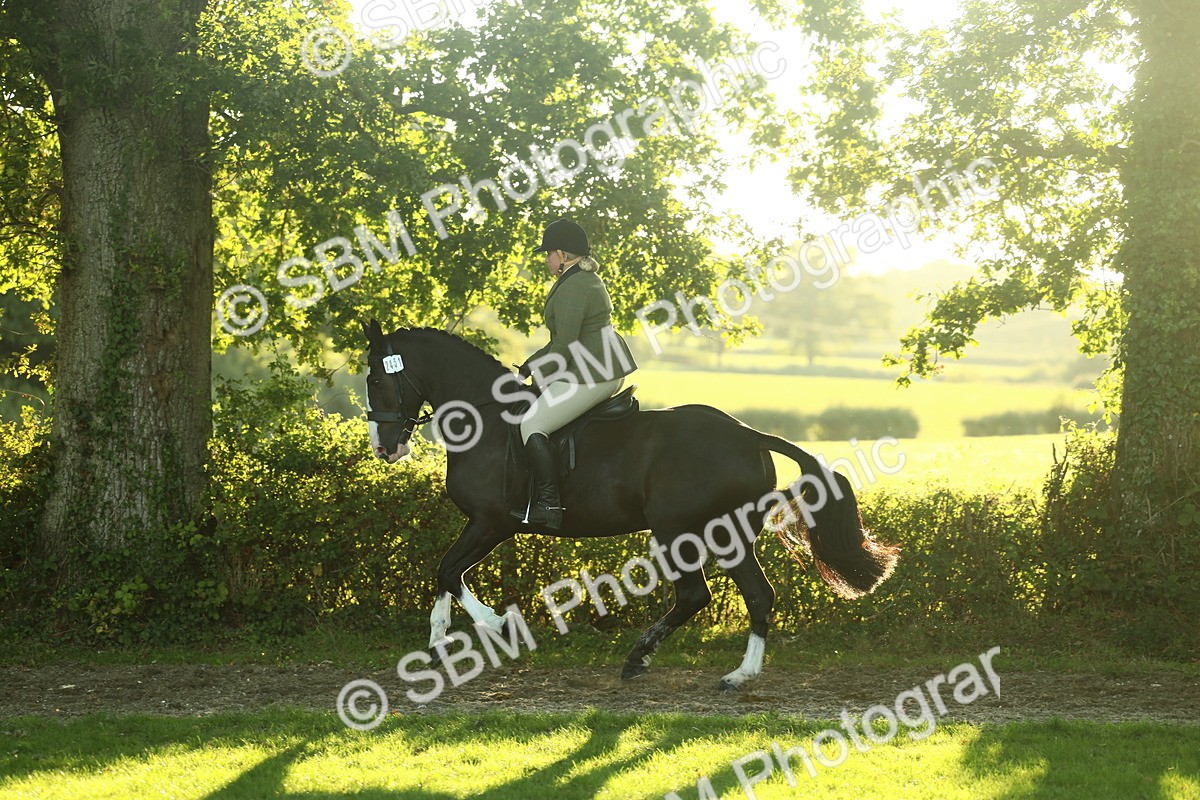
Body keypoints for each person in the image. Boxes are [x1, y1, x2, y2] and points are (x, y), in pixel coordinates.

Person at [512, 218, 638, 529]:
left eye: (548, 253)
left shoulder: (576, 286)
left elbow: (566, 344)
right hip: (595, 364)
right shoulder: (576, 279)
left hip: (594, 371)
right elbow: (561, 341)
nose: (546, 259)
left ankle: (549, 505)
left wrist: (540, 376)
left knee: (532, 424)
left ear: (563, 255)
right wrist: (530, 365)